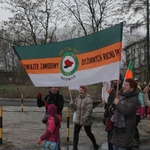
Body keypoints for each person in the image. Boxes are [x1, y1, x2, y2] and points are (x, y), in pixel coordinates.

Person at [110, 78, 139, 150]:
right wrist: (112, 106)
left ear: (132, 88)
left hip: (125, 131)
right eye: (124, 84)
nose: (123, 86)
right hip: (117, 130)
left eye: (126, 85)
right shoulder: (120, 96)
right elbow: (113, 109)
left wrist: (117, 104)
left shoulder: (134, 99)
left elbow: (126, 111)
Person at [70, 85, 99, 150]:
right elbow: (75, 108)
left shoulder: (88, 99)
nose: (80, 91)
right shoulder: (78, 98)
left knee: (89, 133)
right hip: (78, 119)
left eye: (82, 90)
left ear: (85, 91)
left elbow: (89, 110)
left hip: (86, 119)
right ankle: (75, 147)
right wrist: (72, 104)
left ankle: (95, 145)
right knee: (75, 133)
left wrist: (85, 118)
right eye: (80, 90)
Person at [103, 79, 123, 150]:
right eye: (114, 80)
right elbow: (108, 104)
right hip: (111, 117)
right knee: (110, 136)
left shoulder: (124, 91)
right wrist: (105, 115)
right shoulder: (112, 91)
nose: (115, 82)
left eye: (117, 80)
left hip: (120, 119)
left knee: (117, 138)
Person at [133, 78, 145, 148]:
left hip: (137, 113)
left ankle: (136, 141)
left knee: (134, 127)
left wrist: (142, 114)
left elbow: (142, 104)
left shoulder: (139, 93)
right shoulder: (131, 92)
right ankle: (134, 140)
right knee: (133, 127)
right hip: (132, 112)